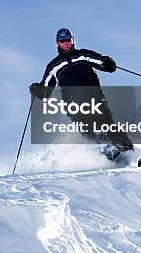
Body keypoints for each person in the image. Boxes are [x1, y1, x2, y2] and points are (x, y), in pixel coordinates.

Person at [30, 28, 133, 158]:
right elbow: (46, 90)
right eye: (63, 41)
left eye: (68, 39)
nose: (66, 43)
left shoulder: (83, 55)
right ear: (58, 43)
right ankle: (107, 150)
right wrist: (37, 90)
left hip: (94, 97)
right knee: (87, 127)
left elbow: (101, 61)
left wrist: (108, 63)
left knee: (107, 124)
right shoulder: (54, 65)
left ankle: (129, 153)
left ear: (73, 40)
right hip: (73, 102)